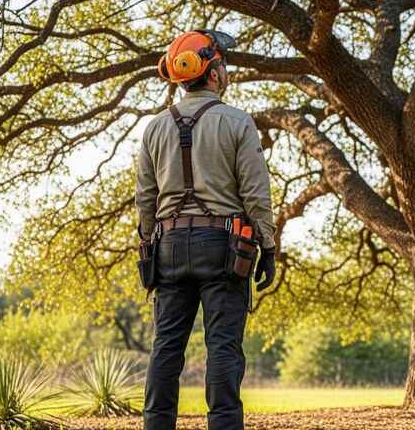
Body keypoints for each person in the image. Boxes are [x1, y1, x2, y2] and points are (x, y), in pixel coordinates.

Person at [135, 29, 276, 430]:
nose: (225, 71)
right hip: (223, 247)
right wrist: (268, 245)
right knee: (223, 348)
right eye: (223, 64)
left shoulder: (154, 128)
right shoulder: (237, 122)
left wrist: (149, 244)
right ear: (213, 73)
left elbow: (145, 199)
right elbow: (255, 192)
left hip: (169, 245)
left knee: (166, 348)